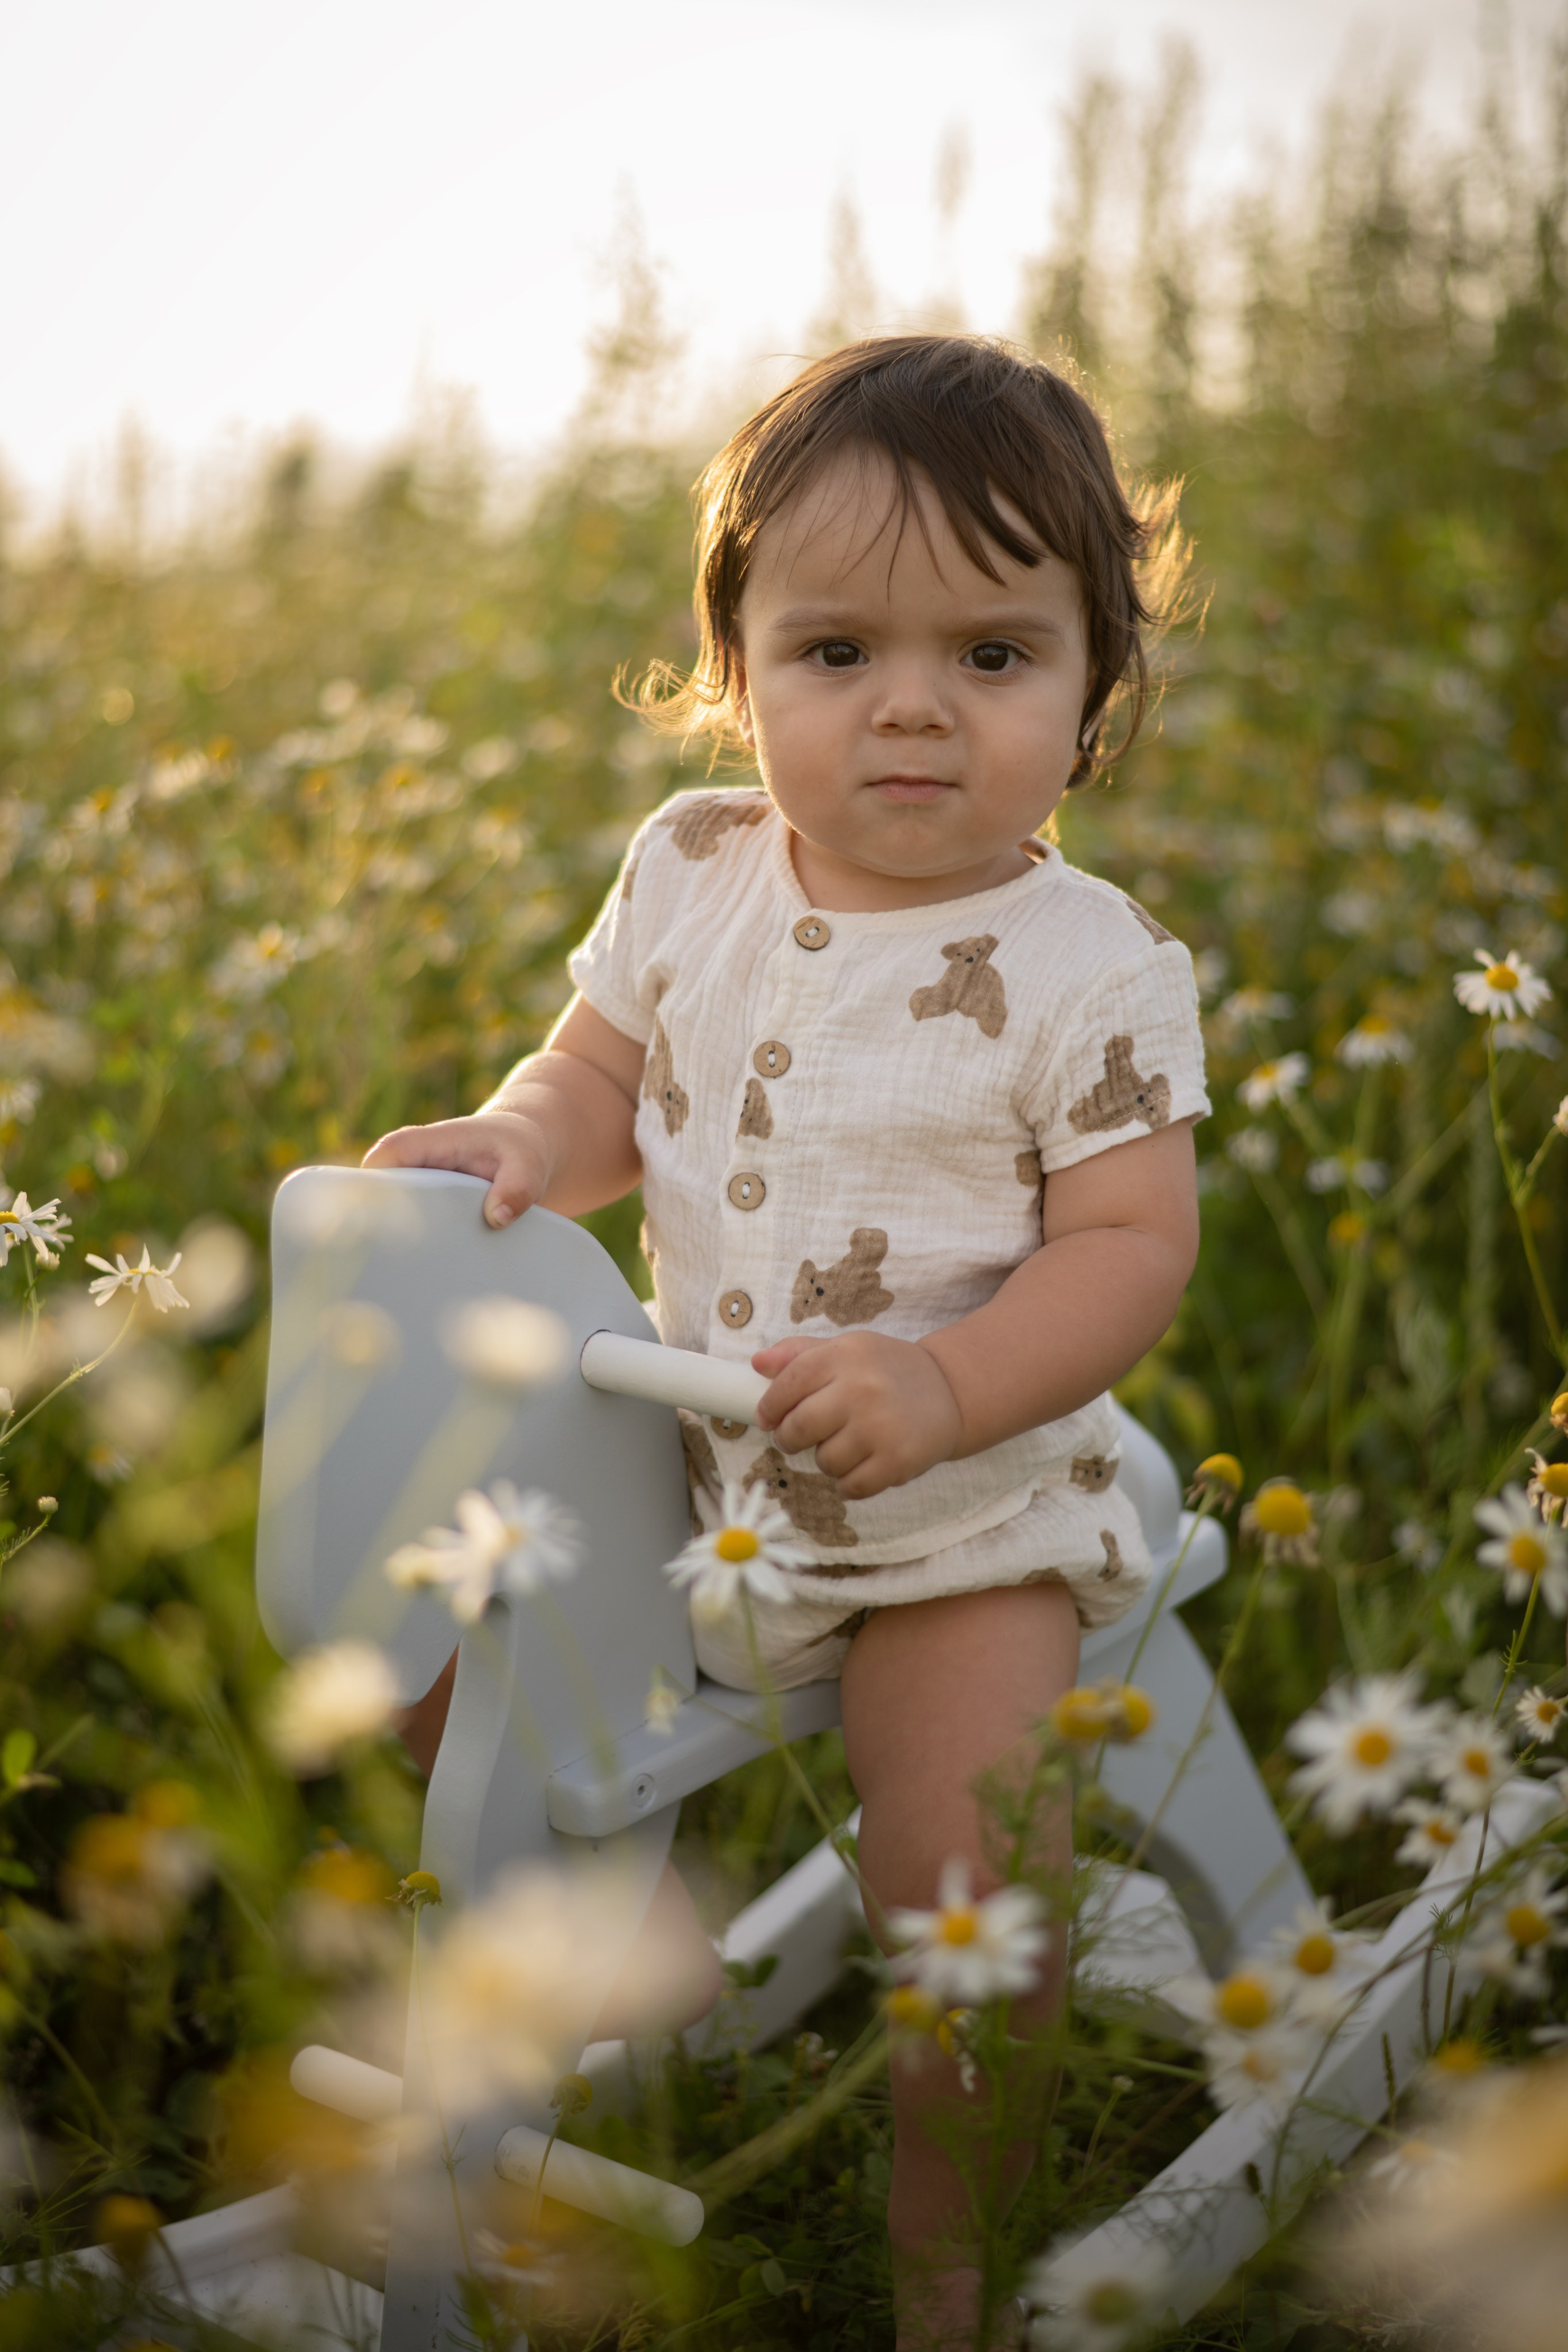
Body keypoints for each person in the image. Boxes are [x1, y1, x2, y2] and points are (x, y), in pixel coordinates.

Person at [370, 333, 1207, 2348]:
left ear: (1096, 685)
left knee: (960, 1897)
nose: (912, 708)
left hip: (964, 1521)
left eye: (995, 658)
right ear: (736, 667)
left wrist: (943, 1384)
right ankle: (660, 1951)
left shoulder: (1090, 967)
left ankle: (949, 2264)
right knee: (438, 1665)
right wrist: (517, 1137)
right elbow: (593, 1078)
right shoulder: (690, 870)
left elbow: (1126, 1249)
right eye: (837, 654)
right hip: (695, 1467)